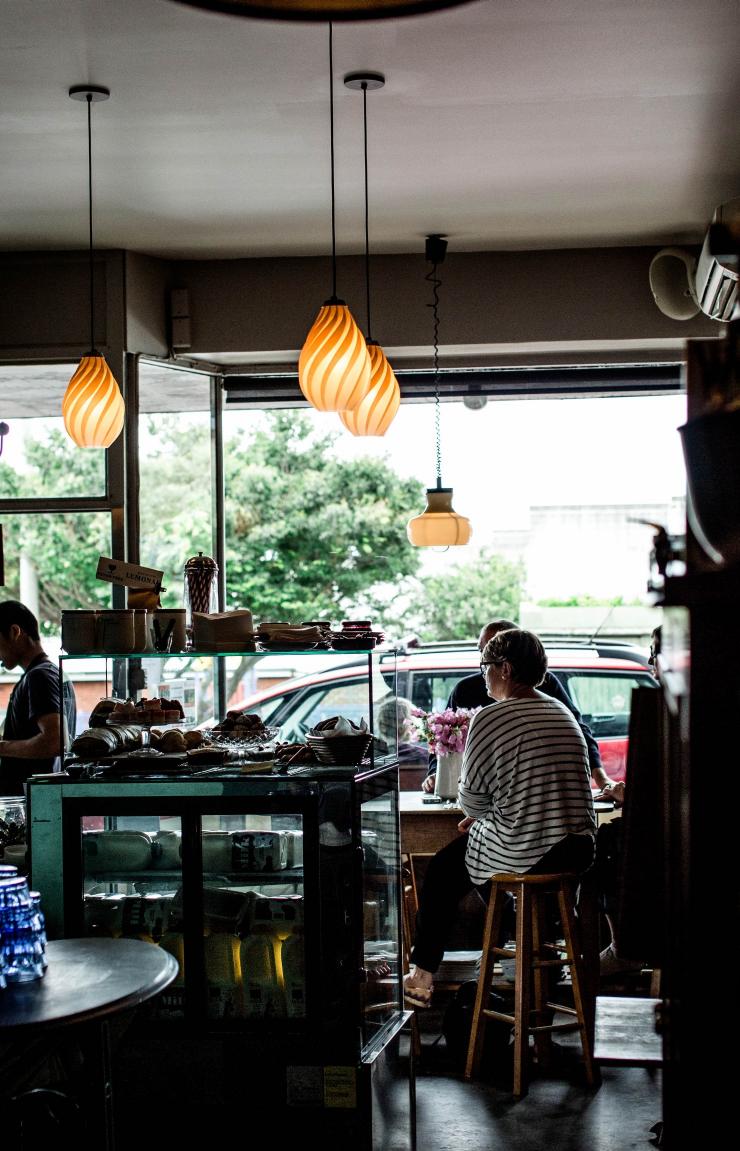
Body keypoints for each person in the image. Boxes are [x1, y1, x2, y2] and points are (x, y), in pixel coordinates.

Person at [404, 627, 596, 1007]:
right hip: (577, 848)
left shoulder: (491, 718)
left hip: (534, 848)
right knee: (478, 851)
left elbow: (471, 803)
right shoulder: (560, 710)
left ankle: (422, 976)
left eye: (485, 665)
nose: (483, 674)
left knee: (443, 869)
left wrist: (483, 816)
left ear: (504, 668)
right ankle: (534, 939)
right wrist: (491, 816)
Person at [422, 618, 612, 794]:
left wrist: (602, 779)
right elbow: (443, 739)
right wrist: (436, 773)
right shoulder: (466, 689)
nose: (482, 661)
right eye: (481, 651)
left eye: (489, 653)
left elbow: (580, 730)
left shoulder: (546, 686)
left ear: (508, 662)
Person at [0, 600, 77, 796]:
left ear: (15, 632)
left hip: (33, 803)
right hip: (43, 799)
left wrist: (2, 747)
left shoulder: (39, 676)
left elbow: (54, 741)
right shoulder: (52, 673)